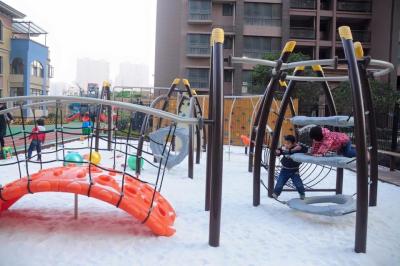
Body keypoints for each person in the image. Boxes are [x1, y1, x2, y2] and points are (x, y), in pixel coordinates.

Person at [272, 135, 308, 200]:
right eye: (285, 143)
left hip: (295, 171)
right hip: (284, 170)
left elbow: (305, 149)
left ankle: (302, 193)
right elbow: (279, 151)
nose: (286, 145)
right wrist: (277, 152)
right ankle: (276, 193)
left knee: (298, 184)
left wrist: (300, 147)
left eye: (288, 143)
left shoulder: (297, 148)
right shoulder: (284, 148)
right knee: (280, 183)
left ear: (293, 143)